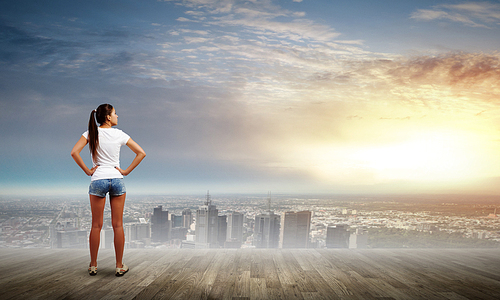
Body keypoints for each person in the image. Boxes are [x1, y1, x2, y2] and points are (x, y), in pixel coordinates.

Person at [71, 104, 146, 276]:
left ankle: (93, 265)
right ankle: (119, 266)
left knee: (96, 225)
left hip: (98, 179)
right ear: (108, 117)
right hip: (117, 179)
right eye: (115, 113)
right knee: (118, 225)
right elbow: (141, 153)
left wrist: (88, 171)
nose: (117, 116)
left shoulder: (90, 133)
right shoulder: (120, 134)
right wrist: (126, 171)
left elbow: (74, 152)